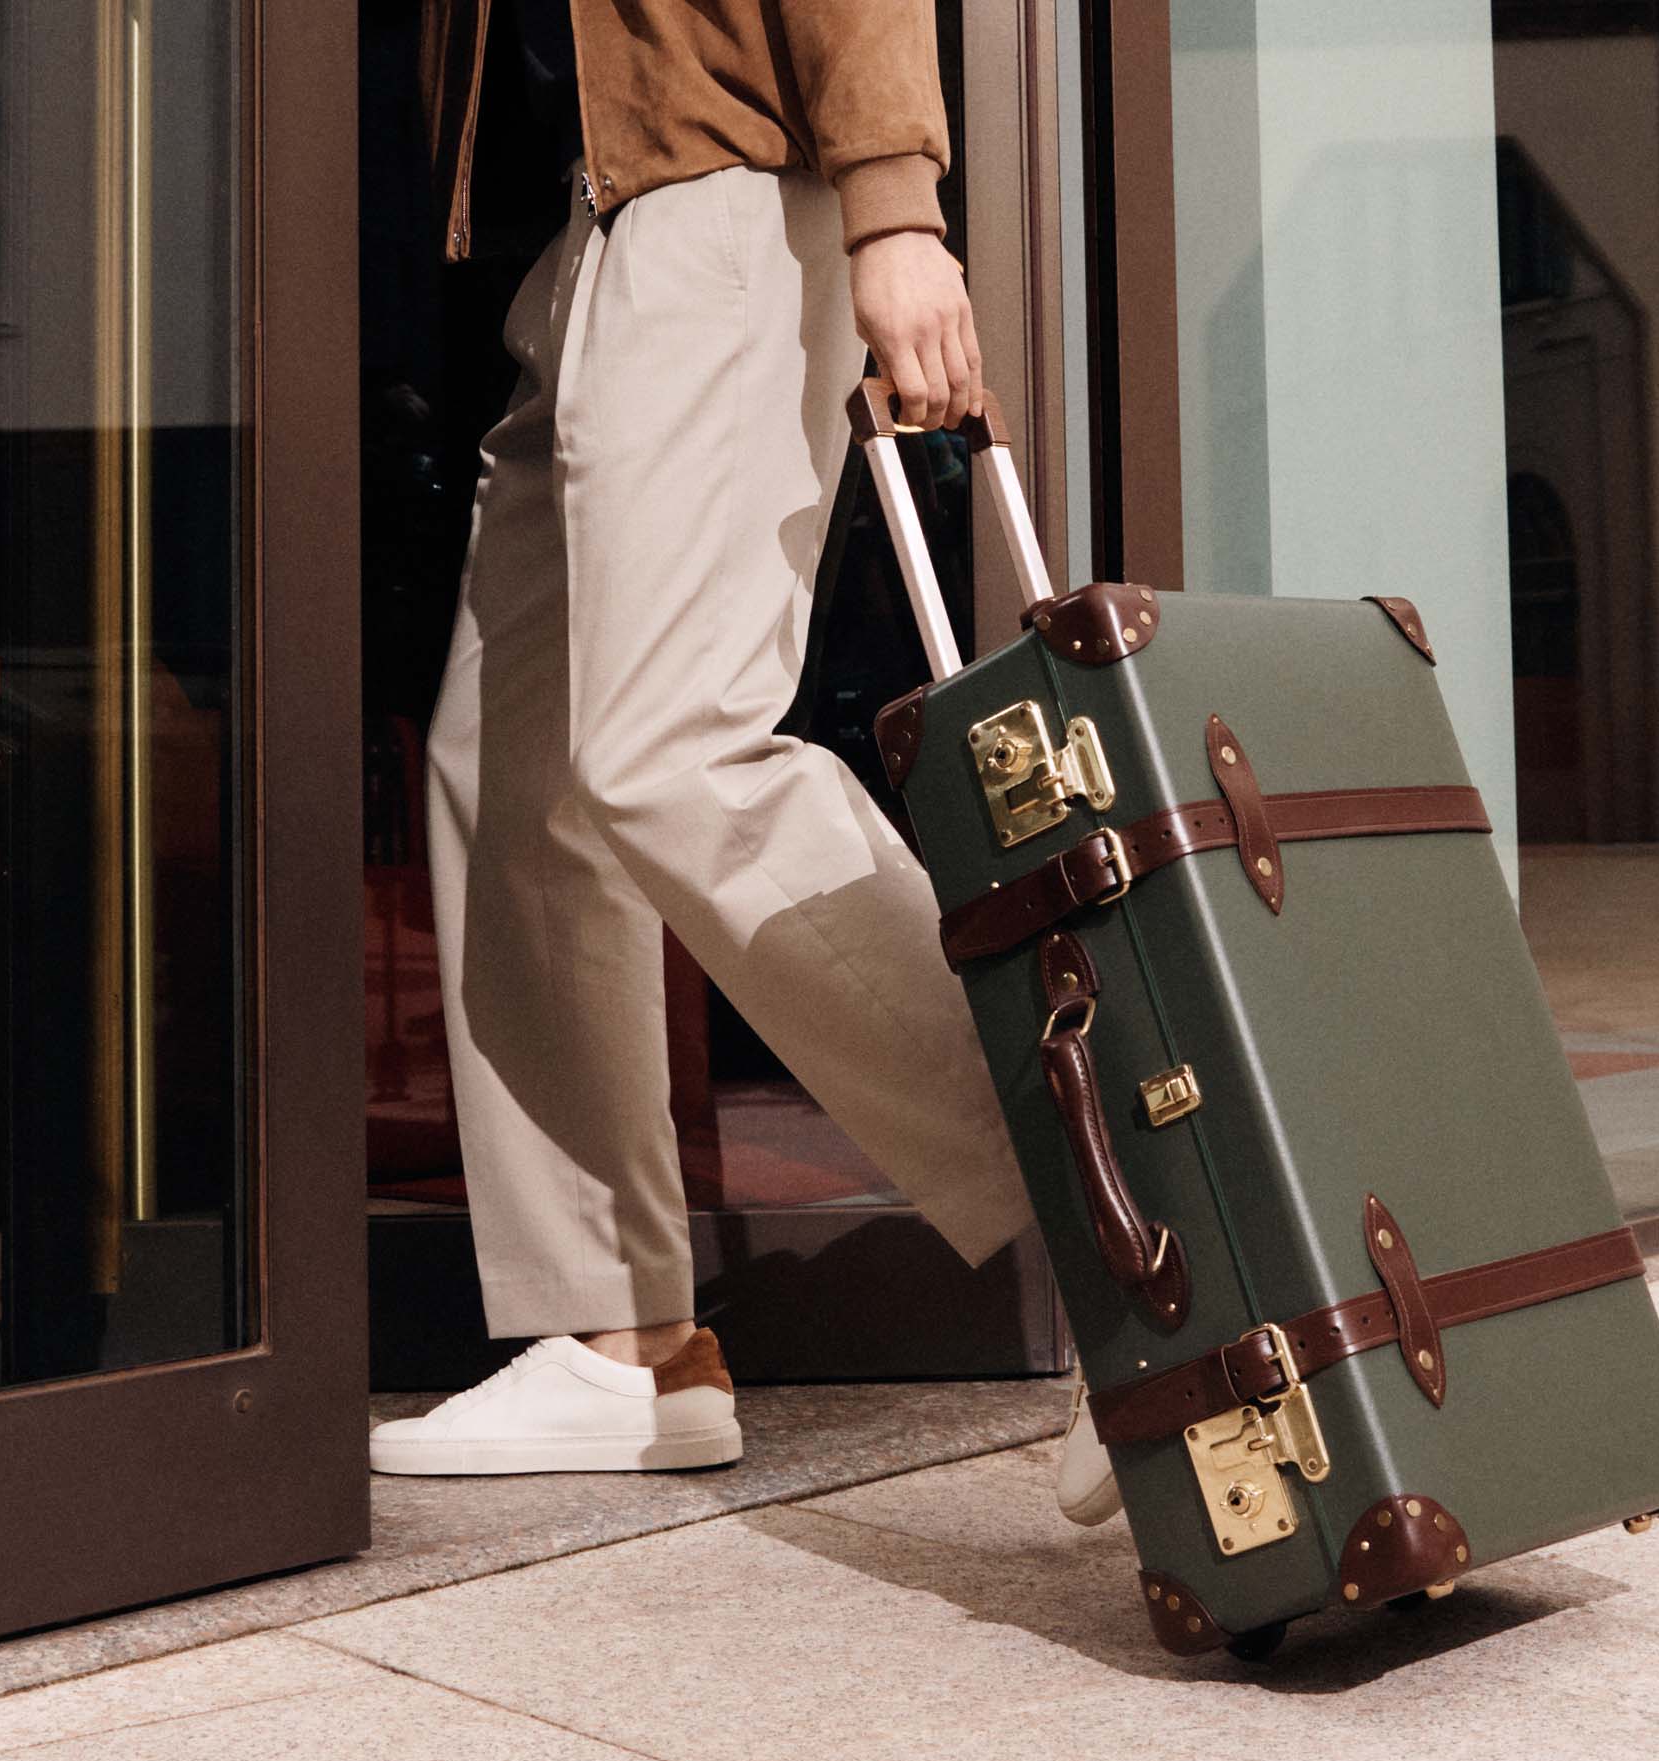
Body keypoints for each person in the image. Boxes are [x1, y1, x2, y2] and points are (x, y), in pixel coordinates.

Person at [369, 0, 1118, 1526]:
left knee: (672, 749)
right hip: (588, 226)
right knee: (510, 777)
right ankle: (620, 1335)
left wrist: (894, 206)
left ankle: (1133, 1210)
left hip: (717, 191)